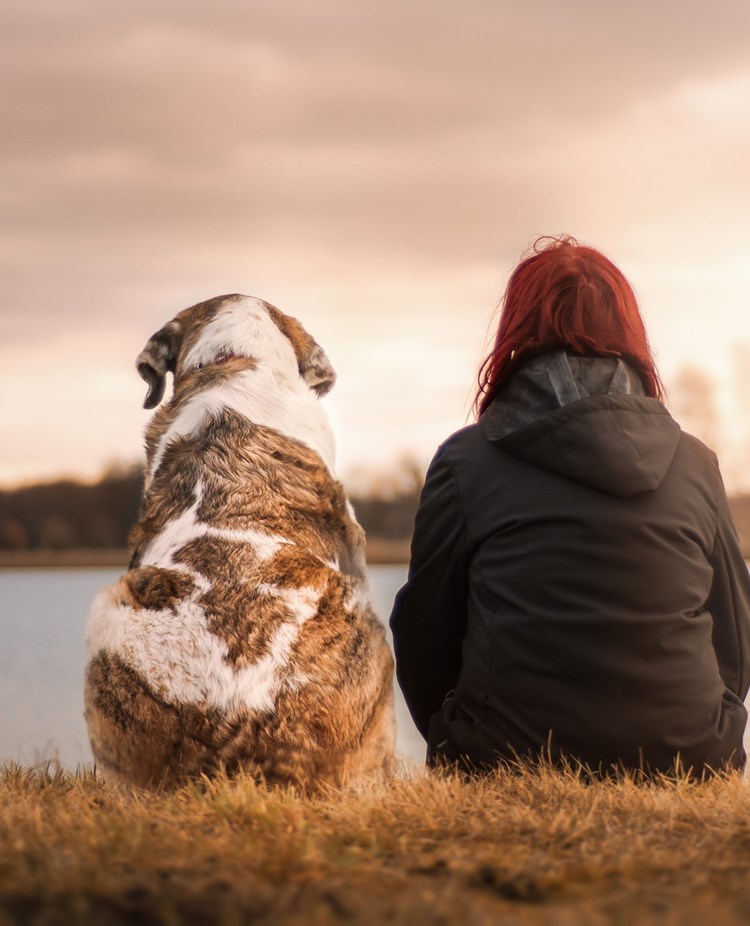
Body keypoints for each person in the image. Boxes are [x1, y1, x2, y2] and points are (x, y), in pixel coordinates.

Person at [389, 235, 750, 778]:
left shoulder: (466, 462)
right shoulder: (695, 463)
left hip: (504, 758)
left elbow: (423, 635)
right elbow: (735, 635)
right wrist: (708, 726)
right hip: (689, 757)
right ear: (628, 333)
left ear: (517, 332)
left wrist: (457, 734)